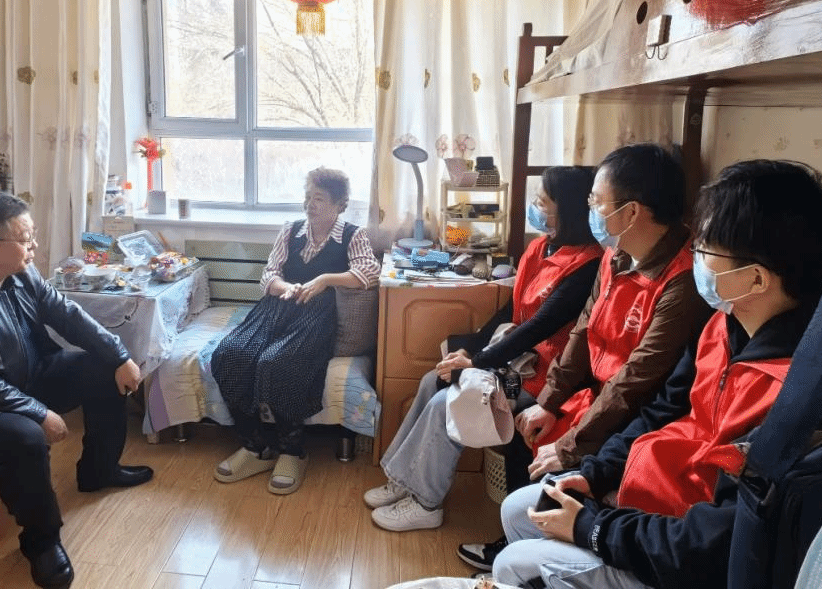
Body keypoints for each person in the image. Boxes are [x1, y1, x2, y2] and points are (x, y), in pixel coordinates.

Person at [492, 159, 822, 589]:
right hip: (650, 500)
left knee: (515, 562)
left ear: (755, 279)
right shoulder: (722, 327)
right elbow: (662, 409)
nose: (695, 256)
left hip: (678, 550)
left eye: (706, 249)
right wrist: (597, 472)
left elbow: (717, 541)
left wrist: (595, 528)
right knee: (521, 509)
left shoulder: (796, 394)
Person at [459, 142, 711, 572]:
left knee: (554, 458)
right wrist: (550, 399)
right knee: (528, 421)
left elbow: (638, 378)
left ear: (631, 212)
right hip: (595, 391)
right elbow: (583, 329)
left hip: (637, 410)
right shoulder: (616, 255)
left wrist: (571, 445)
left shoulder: (682, 281)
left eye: (597, 201)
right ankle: (520, 542)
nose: (590, 209)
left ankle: (536, 556)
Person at [0, 192, 153, 589]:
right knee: (24, 438)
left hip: (23, 378)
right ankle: (42, 541)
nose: (34, 245)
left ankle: (99, 470)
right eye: (25, 238)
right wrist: (37, 412)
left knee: (103, 369)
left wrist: (119, 355)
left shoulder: (20, 271)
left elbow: (66, 314)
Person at [364, 166, 602, 533]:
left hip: (540, 376)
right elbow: (511, 312)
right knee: (432, 381)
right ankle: (405, 479)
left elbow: (538, 328)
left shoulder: (587, 266)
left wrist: (476, 362)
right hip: (509, 359)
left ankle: (426, 503)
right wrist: (469, 351)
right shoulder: (540, 247)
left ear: (567, 209)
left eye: (543, 202)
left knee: (449, 403)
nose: (536, 207)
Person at [210, 167, 380, 494]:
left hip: (318, 313)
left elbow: (368, 272)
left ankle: (293, 451)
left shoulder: (353, 235)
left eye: (319, 199)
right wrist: (286, 287)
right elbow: (269, 275)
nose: (310, 204)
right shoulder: (290, 231)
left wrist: (325, 280)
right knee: (229, 354)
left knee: (278, 363)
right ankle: (255, 446)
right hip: (277, 306)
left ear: (339, 205)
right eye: (308, 197)